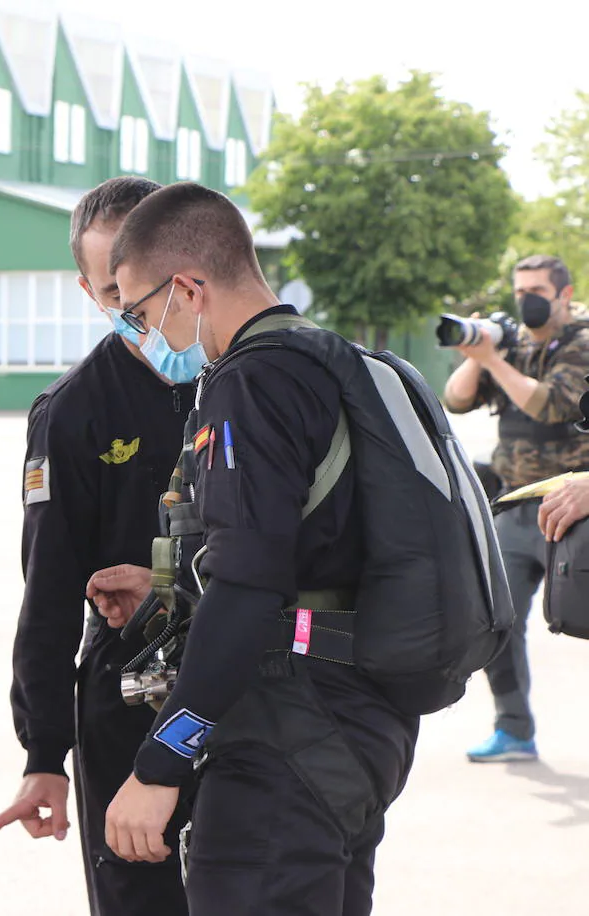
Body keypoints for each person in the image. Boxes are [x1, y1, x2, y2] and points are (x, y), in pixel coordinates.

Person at [88, 182, 419, 915]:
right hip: (362, 719)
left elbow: (249, 584)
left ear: (187, 287)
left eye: (141, 311)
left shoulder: (249, 384)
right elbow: (318, 550)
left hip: (288, 735)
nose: (146, 332)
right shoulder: (333, 362)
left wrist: (161, 760)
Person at [0, 177, 192, 915]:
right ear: (88, 290)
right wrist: (44, 754)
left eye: (153, 287)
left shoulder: (262, 381)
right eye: (114, 294)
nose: (140, 312)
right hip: (129, 699)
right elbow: (49, 591)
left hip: (265, 688)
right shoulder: (74, 414)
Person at [444, 255, 589, 763]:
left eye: (537, 290)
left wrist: (496, 361)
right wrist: (478, 353)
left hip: (578, 510)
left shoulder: (583, 343)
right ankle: (514, 728)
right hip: (517, 503)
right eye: (520, 288)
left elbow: (551, 405)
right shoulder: (514, 345)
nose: (527, 298)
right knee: (494, 620)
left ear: (564, 293)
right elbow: (456, 400)